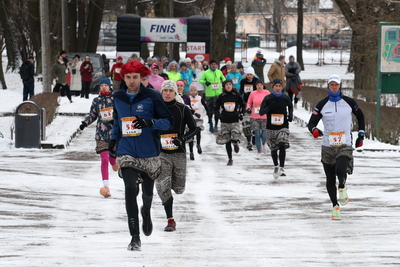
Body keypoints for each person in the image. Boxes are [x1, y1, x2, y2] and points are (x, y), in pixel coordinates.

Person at [109, 60, 174, 251]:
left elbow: (168, 122)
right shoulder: (118, 97)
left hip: (149, 152)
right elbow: (116, 121)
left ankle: (146, 210)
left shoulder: (152, 97)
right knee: (129, 188)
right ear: (124, 78)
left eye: (135, 77)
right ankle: (134, 237)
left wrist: (150, 123)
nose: (131, 81)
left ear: (141, 78)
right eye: (128, 77)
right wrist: (113, 140)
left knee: (147, 192)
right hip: (126, 150)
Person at [307, 74, 365, 220]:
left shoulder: (349, 102)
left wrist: (361, 134)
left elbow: (361, 116)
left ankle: (343, 187)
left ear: (340, 86)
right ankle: (335, 206)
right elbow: (311, 122)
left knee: (340, 169)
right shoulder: (322, 104)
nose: (334, 87)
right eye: (331, 85)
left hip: (344, 143)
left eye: (336, 85)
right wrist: (314, 130)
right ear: (328, 86)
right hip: (328, 145)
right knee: (330, 179)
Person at [156, 80, 197, 232]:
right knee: (162, 186)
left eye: (170, 91)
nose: (167, 93)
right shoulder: (156, 109)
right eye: (165, 90)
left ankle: (173, 185)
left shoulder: (183, 109)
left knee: (179, 188)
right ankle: (170, 220)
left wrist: (182, 139)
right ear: (161, 92)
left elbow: (194, 129)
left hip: (178, 153)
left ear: (175, 93)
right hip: (161, 153)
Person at [79, 77, 119, 198]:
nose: (103, 87)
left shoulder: (115, 99)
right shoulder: (97, 101)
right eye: (101, 86)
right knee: (104, 159)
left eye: (105, 85)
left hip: (114, 134)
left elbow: (120, 113)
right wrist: (85, 123)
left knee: (112, 159)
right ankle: (106, 186)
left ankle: (114, 163)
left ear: (110, 86)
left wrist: (116, 121)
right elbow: (92, 115)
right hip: (101, 134)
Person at [259, 78, 293, 178]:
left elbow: (290, 106)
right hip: (271, 127)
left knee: (282, 144)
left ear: (282, 87)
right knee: (274, 149)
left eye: (280, 86)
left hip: (283, 126)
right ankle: (276, 166)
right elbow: (261, 112)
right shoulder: (268, 98)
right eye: (276, 86)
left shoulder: (285, 98)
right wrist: (269, 107)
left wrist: (290, 115)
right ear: (272, 86)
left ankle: (282, 167)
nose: (278, 88)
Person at [214, 79, 245, 166]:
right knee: (227, 141)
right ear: (224, 86)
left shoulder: (236, 95)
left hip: (234, 119)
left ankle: (235, 143)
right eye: (227, 84)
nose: (228, 86)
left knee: (234, 136)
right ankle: (230, 158)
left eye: (230, 84)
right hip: (225, 121)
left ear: (232, 85)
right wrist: (219, 116)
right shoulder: (221, 96)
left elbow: (243, 105)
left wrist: (241, 113)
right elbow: (215, 109)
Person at [199, 59, 226, 133]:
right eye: (212, 64)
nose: (213, 65)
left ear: (216, 65)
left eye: (215, 64)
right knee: (210, 111)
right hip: (209, 94)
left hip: (218, 94)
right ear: (210, 65)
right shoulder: (206, 72)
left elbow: (224, 79)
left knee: (217, 110)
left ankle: (216, 125)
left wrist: (224, 83)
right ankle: (210, 123)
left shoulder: (219, 72)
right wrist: (205, 82)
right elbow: (200, 80)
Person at [246, 79, 270, 158]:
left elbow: (271, 102)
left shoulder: (267, 93)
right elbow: (249, 102)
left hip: (264, 116)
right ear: (256, 86)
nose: (259, 86)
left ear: (263, 85)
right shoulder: (253, 93)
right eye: (258, 85)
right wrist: (248, 108)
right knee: (257, 134)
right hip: (254, 116)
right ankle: (259, 151)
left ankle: (264, 143)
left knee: (263, 135)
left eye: (261, 85)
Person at [188, 83, 209, 160]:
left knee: (198, 130)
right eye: (191, 90)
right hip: (190, 118)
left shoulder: (200, 98)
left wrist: (209, 117)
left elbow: (206, 107)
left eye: (195, 90)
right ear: (190, 91)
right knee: (191, 135)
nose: (193, 92)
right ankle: (191, 152)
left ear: (197, 91)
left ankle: (198, 144)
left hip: (199, 118)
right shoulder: (188, 99)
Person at [239, 66, 257, 151]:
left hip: (255, 104)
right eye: (248, 74)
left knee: (255, 122)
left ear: (253, 75)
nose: (249, 76)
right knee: (246, 123)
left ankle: (254, 135)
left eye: (251, 74)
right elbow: (241, 91)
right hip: (246, 103)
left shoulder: (256, 81)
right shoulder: (243, 81)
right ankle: (248, 141)